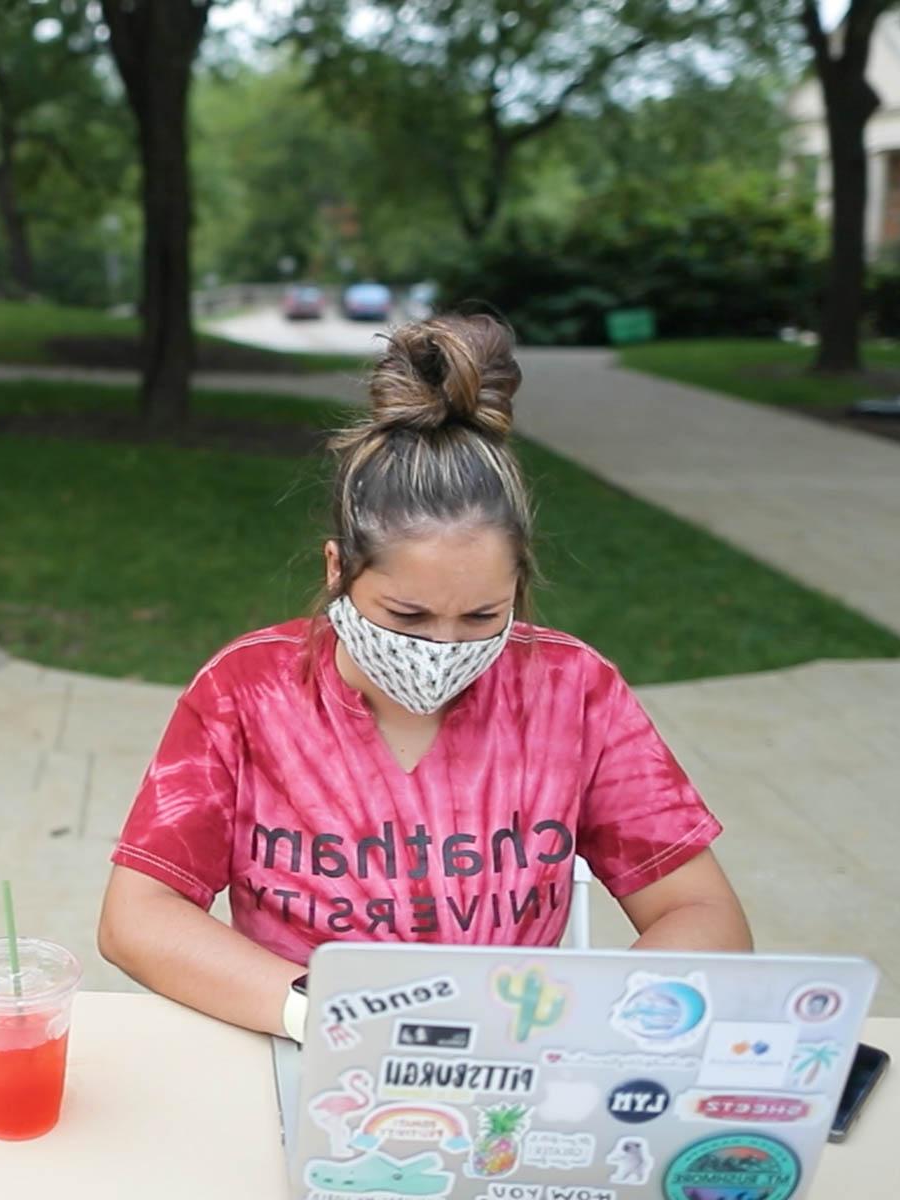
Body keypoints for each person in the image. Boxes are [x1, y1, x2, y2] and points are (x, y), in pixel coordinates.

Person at [97, 314, 752, 1042]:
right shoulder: (246, 692)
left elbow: (704, 915)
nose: (443, 647)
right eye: (407, 616)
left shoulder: (574, 692)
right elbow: (138, 915)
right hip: (308, 1058)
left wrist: (583, 1022)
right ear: (337, 570)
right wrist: (324, 1016)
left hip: (512, 1074)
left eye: (480, 617)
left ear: (519, 589)